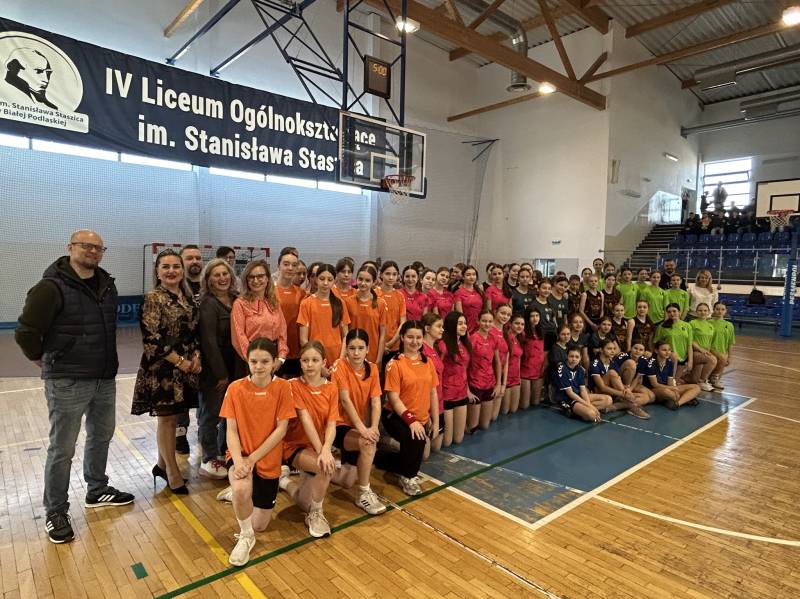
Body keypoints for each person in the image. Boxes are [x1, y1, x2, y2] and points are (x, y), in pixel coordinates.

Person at [15, 230, 133, 543]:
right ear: (70, 248)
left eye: (98, 247)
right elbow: (26, 332)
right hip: (67, 380)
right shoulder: (50, 287)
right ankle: (55, 510)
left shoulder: (107, 285)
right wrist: (44, 359)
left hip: (104, 378)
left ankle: (97, 489)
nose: (93, 251)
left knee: (101, 436)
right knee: (63, 448)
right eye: (86, 246)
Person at [220, 338, 296, 566]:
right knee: (242, 489)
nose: (259, 366)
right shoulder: (235, 388)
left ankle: (238, 495)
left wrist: (252, 459)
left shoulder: (283, 388)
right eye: (254, 361)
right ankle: (246, 536)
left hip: (266, 459)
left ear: (274, 362)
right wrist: (240, 461)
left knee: (260, 524)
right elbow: (231, 430)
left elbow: (281, 430)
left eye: (265, 361)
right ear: (247, 361)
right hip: (240, 454)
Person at [132, 249, 200, 495]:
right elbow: (151, 338)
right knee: (167, 419)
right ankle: (172, 472)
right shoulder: (153, 298)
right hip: (163, 369)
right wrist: (180, 361)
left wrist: (196, 356)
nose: (172, 271)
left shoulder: (188, 297)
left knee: (175, 416)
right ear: (157, 271)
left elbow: (195, 332)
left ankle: (161, 465)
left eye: (176, 266)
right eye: (166, 267)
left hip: (185, 368)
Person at [374, 321, 439, 496]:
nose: (414, 341)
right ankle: (408, 477)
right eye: (410, 337)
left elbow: (433, 393)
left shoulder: (428, 362)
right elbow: (394, 399)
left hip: (421, 417)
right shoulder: (395, 364)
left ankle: (380, 459)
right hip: (395, 415)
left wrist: (435, 421)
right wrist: (411, 422)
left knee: (422, 455)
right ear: (402, 337)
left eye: (418, 337)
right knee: (415, 440)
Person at [280, 342, 338, 538]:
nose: (310, 364)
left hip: (316, 447)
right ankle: (316, 514)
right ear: (300, 363)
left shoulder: (331, 387)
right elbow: (305, 420)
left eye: (315, 360)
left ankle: (284, 481)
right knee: (326, 467)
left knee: (303, 501)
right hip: (294, 445)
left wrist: (326, 449)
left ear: (324, 362)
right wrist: (323, 452)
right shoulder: (293, 385)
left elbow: (331, 424)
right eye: (305, 360)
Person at [329, 330, 387, 515]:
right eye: (352, 348)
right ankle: (363, 493)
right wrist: (364, 430)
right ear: (346, 349)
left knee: (346, 481)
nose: (356, 353)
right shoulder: (339, 365)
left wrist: (374, 427)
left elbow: (376, 401)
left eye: (360, 348)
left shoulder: (373, 369)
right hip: (337, 425)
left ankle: (318, 468)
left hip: (356, 427)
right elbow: (345, 400)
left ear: (368, 349)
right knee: (368, 443)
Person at [197, 258, 238, 480]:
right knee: (211, 414)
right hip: (215, 369)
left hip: (237, 366)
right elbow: (208, 342)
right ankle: (209, 457)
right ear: (209, 279)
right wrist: (221, 374)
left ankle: (225, 452)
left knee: (230, 415)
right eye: (217, 275)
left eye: (225, 273)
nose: (222, 278)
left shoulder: (237, 299)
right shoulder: (208, 303)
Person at [231, 260, 288, 379]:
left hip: (274, 359)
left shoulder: (274, 302)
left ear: (267, 278)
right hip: (251, 361)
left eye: (260, 276)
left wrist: (281, 358)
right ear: (246, 280)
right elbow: (239, 336)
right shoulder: (240, 304)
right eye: (251, 277)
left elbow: (282, 332)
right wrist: (255, 362)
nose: (256, 281)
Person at [176, 244, 204, 454]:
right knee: (181, 397)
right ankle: (180, 435)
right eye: (189, 258)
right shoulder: (176, 288)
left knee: (206, 395)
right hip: (182, 353)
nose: (194, 261)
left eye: (198, 258)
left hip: (206, 350)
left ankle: (205, 432)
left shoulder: (208, 285)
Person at [298, 264, 350, 367]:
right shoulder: (306, 303)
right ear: (316, 279)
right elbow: (303, 339)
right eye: (322, 279)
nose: (325, 283)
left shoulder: (340, 303)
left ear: (334, 281)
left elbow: (346, 335)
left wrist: (340, 360)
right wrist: (317, 363)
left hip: (336, 357)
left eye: (329, 280)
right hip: (315, 358)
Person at [587, 339, 650, 419]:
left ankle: (615, 406)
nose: (612, 351)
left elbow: (618, 380)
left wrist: (626, 390)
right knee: (612, 373)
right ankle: (632, 406)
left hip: (613, 393)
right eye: (609, 349)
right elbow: (602, 387)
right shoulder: (595, 364)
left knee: (645, 397)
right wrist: (623, 394)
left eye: (614, 349)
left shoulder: (613, 363)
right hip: (599, 392)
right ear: (601, 350)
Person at [438, 311, 473, 445]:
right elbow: (438, 371)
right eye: (460, 324)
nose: (464, 326)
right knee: (447, 442)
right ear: (451, 325)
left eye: (465, 323)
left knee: (458, 440)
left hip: (462, 393)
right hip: (447, 395)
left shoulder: (465, 344)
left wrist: (468, 390)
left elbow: (465, 370)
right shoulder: (443, 345)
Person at [344, 264, 387, 367]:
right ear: (356, 279)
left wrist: (379, 359)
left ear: (374, 282)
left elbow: (382, 334)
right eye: (360, 279)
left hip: (372, 353)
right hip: (353, 353)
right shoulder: (348, 302)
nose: (363, 283)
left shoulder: (380, 303)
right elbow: (345, 332)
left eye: (367, 280)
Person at [275, 248, 307, 379]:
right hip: (276, 351)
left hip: (296, 351)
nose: (290, 268)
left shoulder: (302, 293)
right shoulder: (269, 292)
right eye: (286, 264)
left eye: (294, 265)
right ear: (278, 266)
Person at [555, 347, 611, 422]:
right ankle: (575, 410)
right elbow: (570, 393)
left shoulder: (580, 369)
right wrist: (590, 406)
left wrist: (589, 405)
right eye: (571, 356)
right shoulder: (562, 369)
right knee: (591, 415)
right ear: (567, 356)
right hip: (567, 399)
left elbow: (583, 390)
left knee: (608, 400)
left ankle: (581, 411)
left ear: (580, 358)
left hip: (578, 395)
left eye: (577, 357)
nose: (574, 359)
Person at [468, 310, 503, 431]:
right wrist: (467, 390)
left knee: (485, 425)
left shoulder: (494, 338)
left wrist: (498, 384)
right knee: (473, 427)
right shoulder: (473, 338)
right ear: (478, 321)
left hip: (489, 383)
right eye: (484, 321)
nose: (487, 324)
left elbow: (497, 362)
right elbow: (465, 365)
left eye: (490, 321)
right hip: (475, 383)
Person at [645, 341, 701, 410]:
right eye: (664, 350)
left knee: (696, 387)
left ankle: (678, 403)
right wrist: (672, 389)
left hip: (667, 387)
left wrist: (674, 390)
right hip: (654, 390)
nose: (667, 352)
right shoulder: (651, 363)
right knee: (667, 392)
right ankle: (686, 399)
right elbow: (655, 384)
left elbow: (670, 383)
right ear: (656, 351)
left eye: (669, 350)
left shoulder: (669, 363)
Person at [421, 313, 445, 452]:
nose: (442, 329)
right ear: (427, 328)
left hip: (439, 402)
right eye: (439, 326)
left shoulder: (434, 348)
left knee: (436, 447)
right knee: (424, 454)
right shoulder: (422, 351)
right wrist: (428, 415)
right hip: (427, 406)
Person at [654, 303, 695, 384]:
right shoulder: (662, 327)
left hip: (683, 359)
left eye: (674, 311)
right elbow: (656, 343)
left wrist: (690, 361)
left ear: (679, 312)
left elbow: (689, 345)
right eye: (669, 312)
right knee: (672, 381)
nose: (672, 313)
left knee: (677, 381)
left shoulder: (687, 326)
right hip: (669, 357)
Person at [687, 303, 718, 391]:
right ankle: (702, 381)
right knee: (712, 360)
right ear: (696, 312)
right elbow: (690, 340)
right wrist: (701, 349)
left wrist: (707, 351)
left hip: (704, 353)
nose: (703, 312)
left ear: (708, 312)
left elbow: (709, 342)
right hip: (694, 352)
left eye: (705, 310)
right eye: (700, 310)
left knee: (693, 380)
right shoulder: (692, 323)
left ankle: (685, 378)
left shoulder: (710, 326)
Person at [520, 307, 546, 409]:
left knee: (535, 403)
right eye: (532, 316)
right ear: (527, 318)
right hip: (525, 370)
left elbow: (543, 352)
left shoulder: (541, 331)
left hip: (538, 370)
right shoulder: (523, 332)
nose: (535, 318)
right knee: (525, 405)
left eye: (537, 316)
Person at [490, 304, 512, 421]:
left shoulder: (505, 332)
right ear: (495, 312)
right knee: (486, 420)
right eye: (502, 313)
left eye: (508, 315)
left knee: (493, 417)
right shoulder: (489, 330)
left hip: (500, 377)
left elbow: (507, 360)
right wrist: (497, 383)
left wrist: (503, 384)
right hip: (489, 377)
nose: (505, 317)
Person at [378, 261, 406, 353]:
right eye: (387, 274)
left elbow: (402, 323)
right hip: (375, 343)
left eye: (394, 274)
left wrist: (390, 343)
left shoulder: (399, 296)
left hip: (394, 345)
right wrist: (381, 345)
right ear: (381, 274)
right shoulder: (374, 294)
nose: (391, 277)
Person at [709, 301, 735, 390]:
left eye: (722, 309)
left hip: (723, 352)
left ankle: (713, 379)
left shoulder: (729, 325)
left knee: (723, 359)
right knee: (721, 359)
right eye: (717, 309)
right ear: (713, 310)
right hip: (711, 350)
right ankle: (711, 378)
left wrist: (729, 357)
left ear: (726, 311)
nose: (720, 311)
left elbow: (730, 342)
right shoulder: (709, 323)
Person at [502, 313, 525, 415]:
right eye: (517, 323)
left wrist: (519, 377)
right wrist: (502, 382)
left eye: (522, 324)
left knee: (514, 409)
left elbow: (518, 359)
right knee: (505, 411)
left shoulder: (519, 339)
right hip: (506, 378)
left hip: (515, 378)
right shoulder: (506, 338)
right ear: (510, 324)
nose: (520, 326)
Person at [453, 265, 487, 333]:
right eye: (468, 275)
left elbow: (484, 310)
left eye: (474, 274)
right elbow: (460, 314)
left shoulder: (479, 292)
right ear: (463, 277)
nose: (471, 277)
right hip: (466, 328)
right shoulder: (458, 293)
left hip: (480, 328)